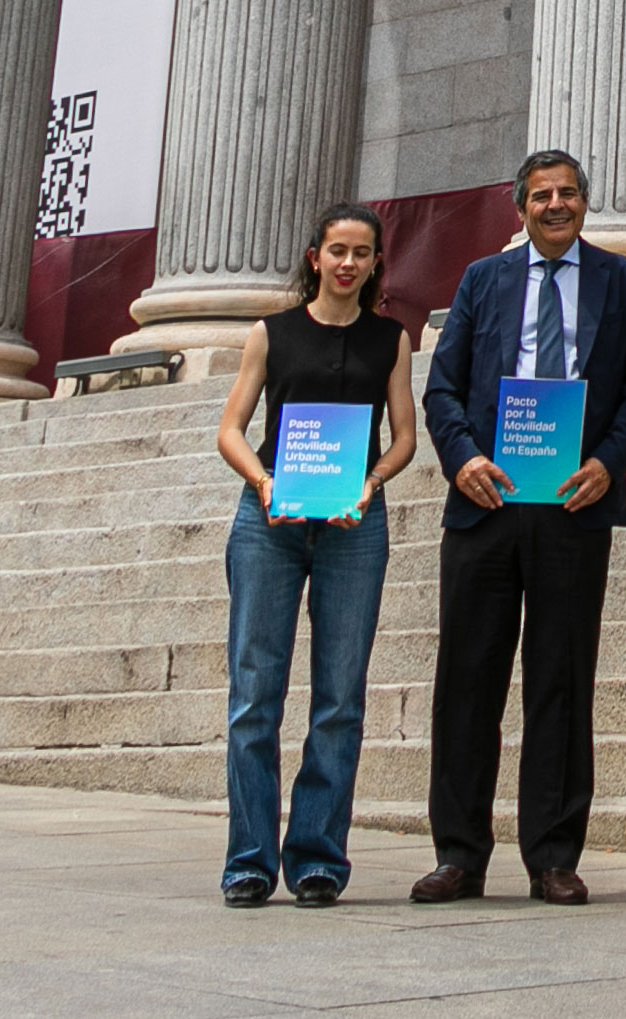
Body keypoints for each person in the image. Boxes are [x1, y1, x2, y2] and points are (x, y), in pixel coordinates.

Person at [414, 148, 626, 905]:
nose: (557, 204)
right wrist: (461, 458)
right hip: (487, 502)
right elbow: (443, 386)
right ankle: (459, 852)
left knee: (560, 679)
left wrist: (608, 462)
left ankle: (553, 853)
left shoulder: (621, 281)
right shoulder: (482, 281)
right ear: (518, 207)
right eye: (542, 195)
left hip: (571, 504)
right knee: (468, 681)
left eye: (569, 193)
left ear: (586, 202)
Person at [210, 200, 420, 907]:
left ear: (375, 262)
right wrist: (263, 480)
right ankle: (248, 858)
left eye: (362, 252)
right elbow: (231, 427)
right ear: (315, 256)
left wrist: (371, 480)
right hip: (269, 520)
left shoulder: (390, 339)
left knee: (338, 697)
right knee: (253, 695)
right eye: (337, 250)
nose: (348, 263)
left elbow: (403, 436)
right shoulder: (271, 334)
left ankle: (318, 856)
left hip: (353, 523)